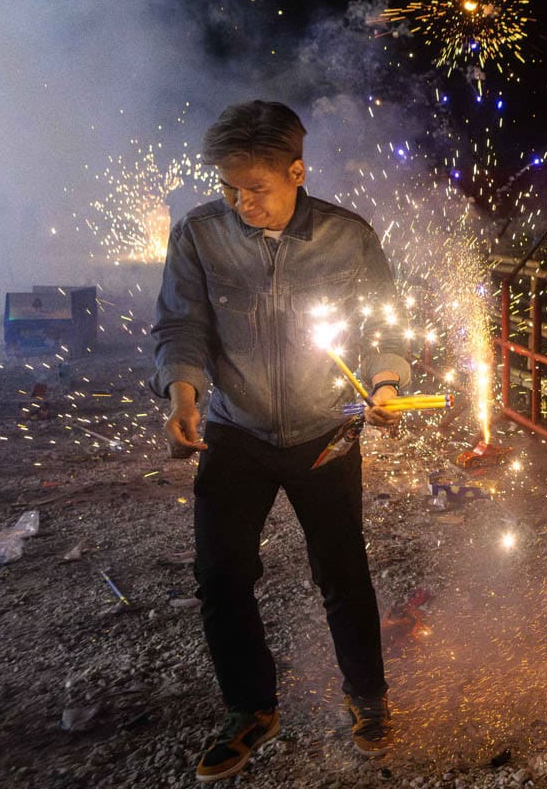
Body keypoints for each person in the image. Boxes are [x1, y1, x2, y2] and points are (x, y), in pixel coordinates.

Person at [149, 100, 409, 782]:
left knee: (342, 569)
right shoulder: (199, 234)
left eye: (255, 189)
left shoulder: (349, 237)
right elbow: (181, 324)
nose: (240, 203)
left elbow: (385, 326)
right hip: (236, 430)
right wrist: (182, 394)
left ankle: (368, 697)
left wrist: (383, 385)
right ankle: (250, 709)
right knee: (220, 574)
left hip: (326, 432)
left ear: (297, 170)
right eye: (228, 187)